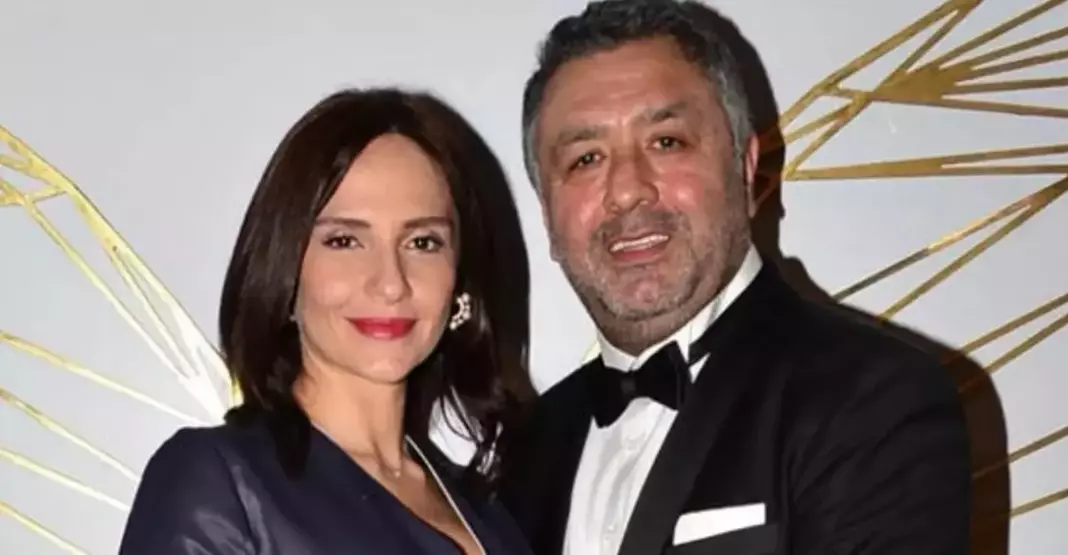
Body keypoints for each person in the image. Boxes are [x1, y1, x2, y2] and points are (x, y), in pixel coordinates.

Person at [497, 1, 972, 554]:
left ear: (745, 170)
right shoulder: (522, 457)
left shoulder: (874, 400)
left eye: (666, 142)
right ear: (548, 216)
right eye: (585, 159)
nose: (627, 190)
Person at [119, 87, 536, 555]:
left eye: (422, 242)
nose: (390, 283)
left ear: (460, 278)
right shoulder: (220, 483)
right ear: (285, 269)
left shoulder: (488, 511)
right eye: (344, 241)